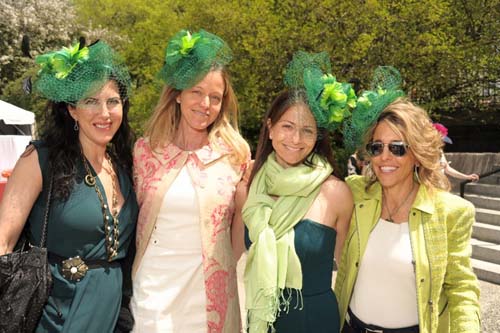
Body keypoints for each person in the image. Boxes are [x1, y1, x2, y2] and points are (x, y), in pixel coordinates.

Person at [0, 41, 138, 332]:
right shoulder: (39, 159)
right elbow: (2, 241)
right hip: (54, 313)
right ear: (72, 110)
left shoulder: (125, 165)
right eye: (91, 101)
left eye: (113, 101)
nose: (105, 112)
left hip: (112, 313)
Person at [336, 67, 480, 333]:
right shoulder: (355, 193)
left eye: (398, 148)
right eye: (377, 147)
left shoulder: (452, 212)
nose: (384, 157)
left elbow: (461, 287)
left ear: (417, 154)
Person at [130, 29, 250, 332]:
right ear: (178, 94)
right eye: (196, 92)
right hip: (153, 286)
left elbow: (239, 229)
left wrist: (229, 276)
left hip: (209, 294)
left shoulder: (235, 153)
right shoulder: (146, 150)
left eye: (215, 97)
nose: (205, 104)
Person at [235, 51, 354, 333]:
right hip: (262, 320)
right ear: (270, 128)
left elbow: (352, 268)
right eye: (287, 126)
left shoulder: (336, 193)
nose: (296, 139)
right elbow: (229, 257)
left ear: (318, 137)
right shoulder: (249, 187)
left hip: (315, 322)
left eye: (307, 131)